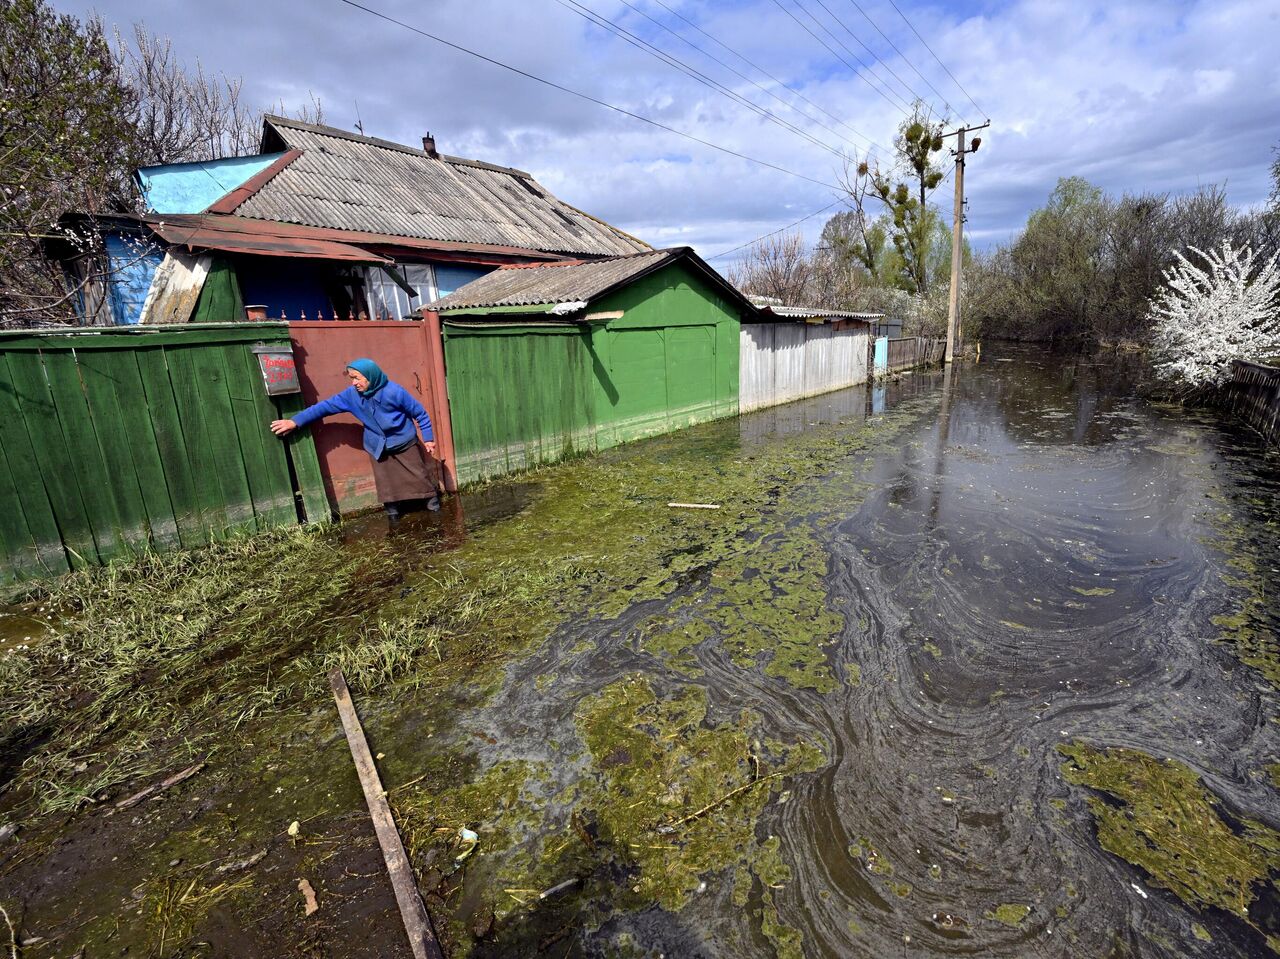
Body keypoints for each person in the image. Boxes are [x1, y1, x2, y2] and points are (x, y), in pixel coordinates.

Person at [270, 358, 439, 521]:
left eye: (357, 378)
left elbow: (420, 414)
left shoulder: (394, 391)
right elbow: (324, 407)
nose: (353, 383)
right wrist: (295, 421)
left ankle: (433, 506)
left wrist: (428, 438)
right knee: (386, 482)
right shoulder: (351, 396)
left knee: (419, 476)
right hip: (377, 445)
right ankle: (393, 514)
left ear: (370, 376)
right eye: (351, 378)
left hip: (404, 441)